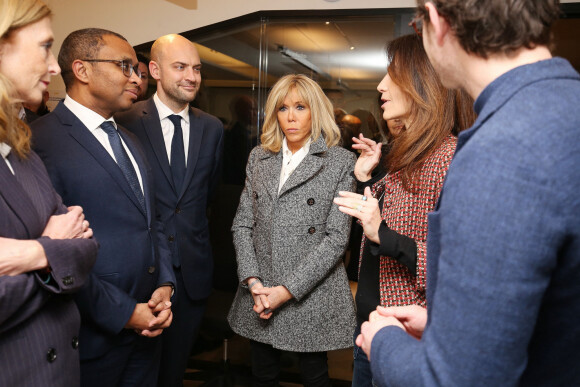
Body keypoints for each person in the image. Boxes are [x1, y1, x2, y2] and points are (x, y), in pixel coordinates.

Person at [356, 1, 580, 386]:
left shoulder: (501, 148)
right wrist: (449, 327)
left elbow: (455, 379)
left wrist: (384, 342)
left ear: (437, 20)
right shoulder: (562, 108)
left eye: (417, 24)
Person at [31, 28, 175, 387]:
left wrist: (165, 284)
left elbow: (151, 221)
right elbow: (53, 252)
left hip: (148, 329)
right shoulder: (42, 141)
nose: (136, 77)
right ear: (82, 70)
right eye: (124, 66)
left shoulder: (130, 139)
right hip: (90, 336)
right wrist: (125, 313)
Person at [333, 33, 474, 387]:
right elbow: (371, 234)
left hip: (407, 332)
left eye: (391, 75)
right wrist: (365, 180)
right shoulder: (403, 154)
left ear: (420, 84)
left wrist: (384, 233)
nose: (381, 85)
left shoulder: (450, 158)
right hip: (373, 326)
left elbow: (455, 266)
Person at [227, 74, 356, 387]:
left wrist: (285, 291)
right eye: (283, 109)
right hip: (261, 288)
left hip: (309, 290)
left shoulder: (340, 161)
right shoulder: (259, 156)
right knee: (262, 374)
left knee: (315, 377)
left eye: (300, 107)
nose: (292, 117)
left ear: (315, 110)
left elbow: (336, 240)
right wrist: (253, 281)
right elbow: (243, 223)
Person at [116, 33, 224, 387]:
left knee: (174, 374)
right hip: (140, 274)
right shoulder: (125, 120)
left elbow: (208, 195)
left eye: (196, 68)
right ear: (155, 70)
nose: (191, 76)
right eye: (180, 67)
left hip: (192, 275)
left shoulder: (212, 128)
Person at [0, 1, 98, 386]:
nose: (55, 66)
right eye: (44, 47)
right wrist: (51, 249)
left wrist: (31, 253)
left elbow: (85, 244)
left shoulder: (22, 150)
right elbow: (67, 247)